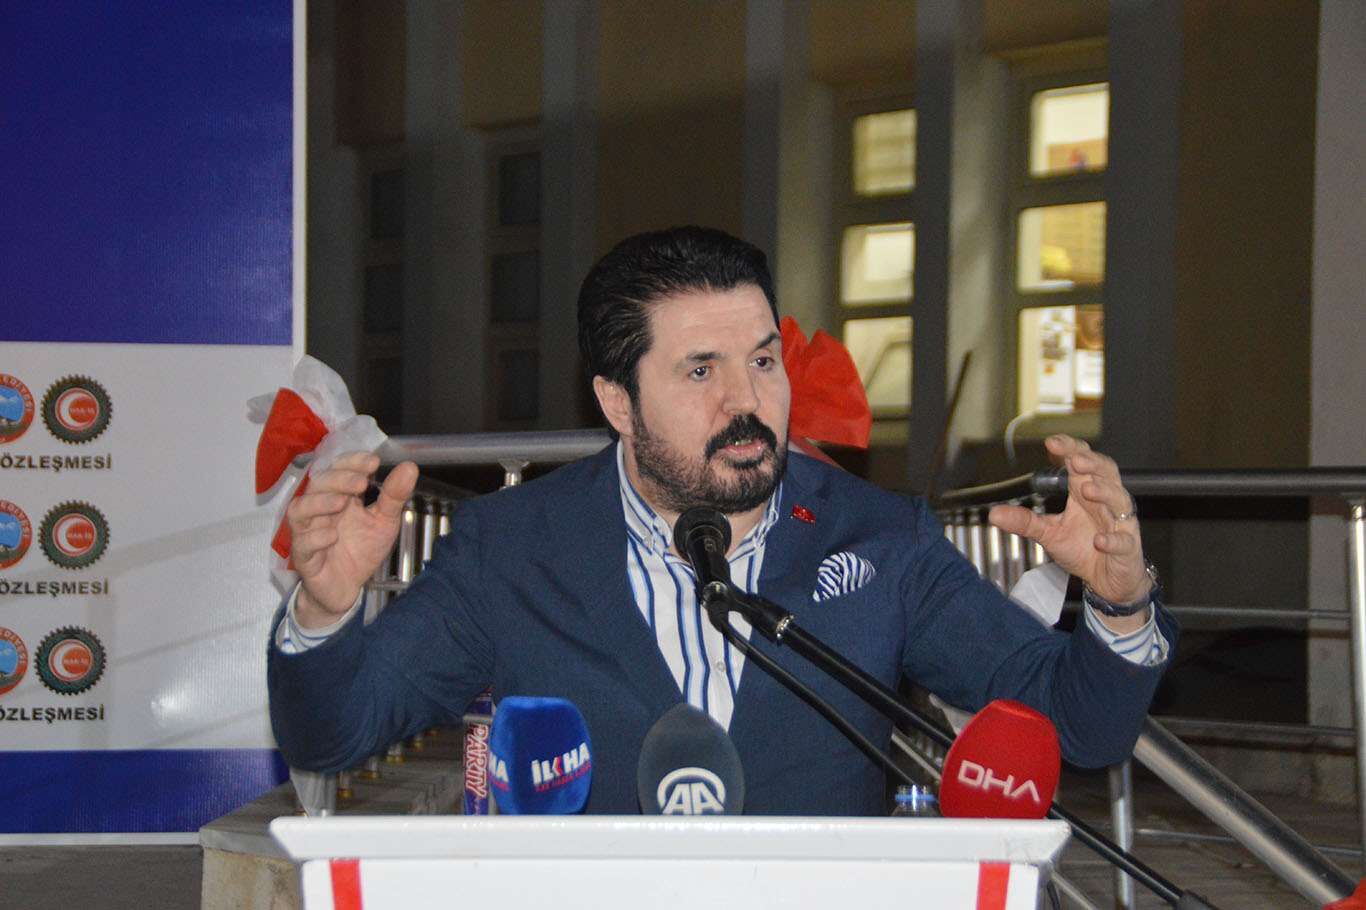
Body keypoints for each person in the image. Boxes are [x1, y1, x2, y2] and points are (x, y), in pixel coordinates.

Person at [269, 226, 1175, 815]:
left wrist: (1120, 604)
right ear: (617, 402)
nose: (749, 402)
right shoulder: (509, 549)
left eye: (764, 361)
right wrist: (323, 613)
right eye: (701, 370)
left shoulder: (878, 538)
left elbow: (1079, 729)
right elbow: (334, 734)